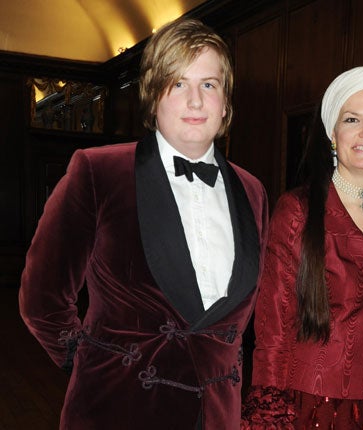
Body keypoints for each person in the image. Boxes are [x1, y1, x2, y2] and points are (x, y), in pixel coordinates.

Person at [19, 18, 268, 429]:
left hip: (216, 416)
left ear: (226, 104)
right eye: (178, 84)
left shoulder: (253, 191)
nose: (195, 101)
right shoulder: (99, 171)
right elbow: (42, 296)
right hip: (117, 408)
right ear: (154, 97)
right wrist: (94, 361)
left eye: (209, 85)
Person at [240, 66, 363, 429]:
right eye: (352, 119)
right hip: (309, 407)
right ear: (332, 132)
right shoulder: (298, 210)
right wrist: (269, 412)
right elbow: (273, 325)